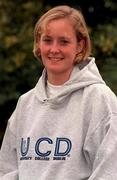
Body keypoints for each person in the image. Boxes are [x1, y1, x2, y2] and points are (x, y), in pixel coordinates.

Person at [0, 5, 117, 180]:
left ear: (80, 45)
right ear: (39, 43)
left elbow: (110, 170)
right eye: (47, 40)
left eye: (64, 41)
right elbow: (8, 170)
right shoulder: (25, 103)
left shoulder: (99, 99)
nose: (54, 49)